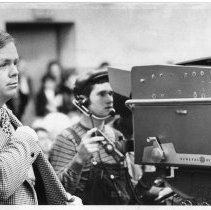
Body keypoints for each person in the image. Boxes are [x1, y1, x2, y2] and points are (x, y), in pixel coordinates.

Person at [0, 30, 82, 205]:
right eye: (3, 64)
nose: (15, 72)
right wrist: (25, 138)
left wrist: (62, 203)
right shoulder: (22, 130)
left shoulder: (6, 113)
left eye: (15, 63)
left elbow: (28, 184)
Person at [49, 69, 138, 205]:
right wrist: (78, 161)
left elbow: (129, 192)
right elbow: (56, 194)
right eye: (101, 94)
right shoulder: (67, 138)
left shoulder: (116, 136)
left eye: (110, 93)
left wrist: (153, 175)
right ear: (83, 101)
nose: (109, 99)